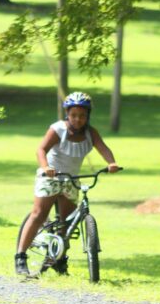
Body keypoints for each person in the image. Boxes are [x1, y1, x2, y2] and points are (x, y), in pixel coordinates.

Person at [15, 92, 120, 276]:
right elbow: (41, 149)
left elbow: (103, 147)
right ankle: (21, 257)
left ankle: (58, 259)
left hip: (71, 180)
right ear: (67, 114)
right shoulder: (58, 130)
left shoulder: (90, 133)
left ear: (88, 116)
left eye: (82, 116)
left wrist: (111, 162)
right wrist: (46, 166)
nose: (78, 120)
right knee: (39, 214)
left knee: (67, 223)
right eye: (73, 115)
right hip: (51, 177)